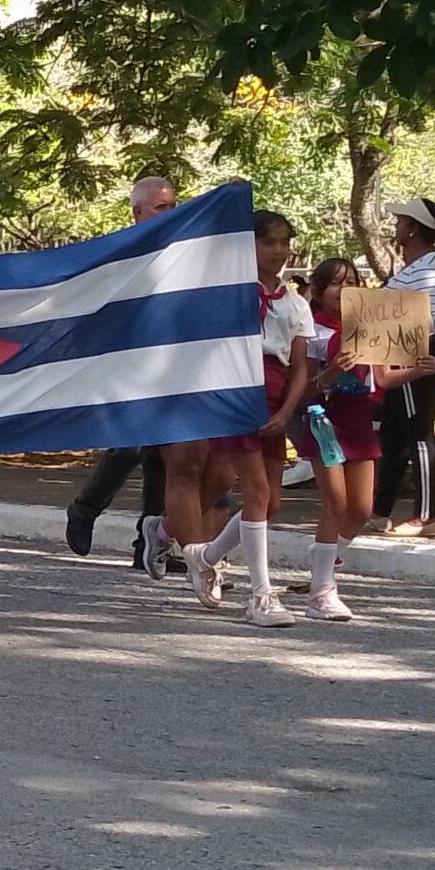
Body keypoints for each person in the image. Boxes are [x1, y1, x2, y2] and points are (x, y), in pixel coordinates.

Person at [188, 211, 314, 627]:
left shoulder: (295, 303)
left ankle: (204, 556)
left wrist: (284, 413)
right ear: (249, 246)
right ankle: (262, 595)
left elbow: (299, 367)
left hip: (275, 400)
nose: (278, 251)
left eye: (284, 242)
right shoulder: (231, 294)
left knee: (270, 501)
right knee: (256, 492)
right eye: (268, 242)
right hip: (239, 394)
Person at [297, 258, 435, 620]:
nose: (342, 289)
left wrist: (417, 371)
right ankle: (322, 591)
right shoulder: (311, 331)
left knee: (361, 509)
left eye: (351, 282)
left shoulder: (368, 327)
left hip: (359, 420)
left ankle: (323, 557)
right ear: (317, 290)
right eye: (334, 283)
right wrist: (331, 372)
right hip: (324, 421)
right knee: (336, 503)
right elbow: (304, 388)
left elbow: (384, 379)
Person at [64, 177, 182, 566]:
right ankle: (85, 509)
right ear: (138, 212)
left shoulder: (182, 249)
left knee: (161, 454)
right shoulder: (120, 251)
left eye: (174, 204)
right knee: (130, 445)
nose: (172, 212)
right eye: (162, 206)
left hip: (170, 361)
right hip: (125, 361)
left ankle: (147, 546)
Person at [373, 197, 435, 537]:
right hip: (405, 353)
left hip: (414, 355)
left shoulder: (427, 269)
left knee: (418, 434)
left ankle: (426, 516)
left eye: (400, 222)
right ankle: (381, 510)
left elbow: (433, 320)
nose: (396, 227)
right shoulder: (418, 267)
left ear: (411, 229)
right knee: (393, 436)